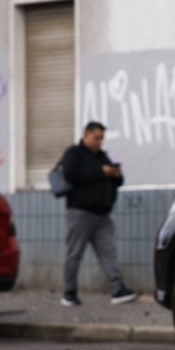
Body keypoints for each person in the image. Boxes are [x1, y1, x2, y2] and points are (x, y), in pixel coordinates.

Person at [58, 121, 138, 308]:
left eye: (102, 138)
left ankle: (118, 289)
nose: (99, 142)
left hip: (102, 214)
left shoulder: (103, 156)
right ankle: (69, 293)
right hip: (80, 212)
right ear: (86, 135)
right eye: (96, 138)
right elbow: (70, 174)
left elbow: (118, 181)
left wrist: (116, 174)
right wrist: (100, 171)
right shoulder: (74, 154)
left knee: (108, 253)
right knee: (74, 253)